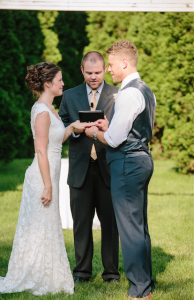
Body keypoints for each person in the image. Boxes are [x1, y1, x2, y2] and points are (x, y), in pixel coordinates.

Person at [0, 62, 88, 295]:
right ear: (48, 83)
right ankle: (35, 275)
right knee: (39, 226)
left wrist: (71, 128)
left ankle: (47, 274)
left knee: (48, 226)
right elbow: (41, 150)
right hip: (41, 177)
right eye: (60, 80)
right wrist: (47, 185)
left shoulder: (51, 108)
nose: (64, 83)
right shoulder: (42, 111)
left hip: (50, 175)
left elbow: (56, 141)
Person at [85, 41, 156, 299]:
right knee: (139, 226)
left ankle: (139, 289)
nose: (110, 70)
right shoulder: (145, 89)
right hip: (140, 159)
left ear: (124, 63)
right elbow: (133, 127)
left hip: (127, 162)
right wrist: (109, 124)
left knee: (129, 227)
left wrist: (94, 131)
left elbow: (114, 140)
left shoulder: (127, 93)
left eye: (112, 65)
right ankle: (146, 283)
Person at [59, 52, 120, 282]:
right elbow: (62, 123)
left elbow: (123, 126)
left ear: (105, 69)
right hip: (79, 169)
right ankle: (82, 272)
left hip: (108, 167)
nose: (93, 77)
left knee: (111, 224)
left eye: (97, 72)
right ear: (82, 70)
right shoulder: (69, 95)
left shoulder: (117, 94)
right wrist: (74, 129)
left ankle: (111, 273)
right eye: (89, 73)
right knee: (81, 223)